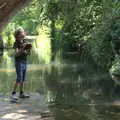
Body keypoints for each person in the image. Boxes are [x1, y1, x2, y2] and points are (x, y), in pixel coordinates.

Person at [11, 27, 32, 100]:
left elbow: (27, 54)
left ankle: (21, 93)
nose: (24, 33)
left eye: (24, 32)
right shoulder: (16, 43)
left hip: (24, 61)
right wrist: (22, 48)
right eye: (22, 32)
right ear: (18, 35)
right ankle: (13, 93)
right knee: (19, 78)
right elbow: (16, 54)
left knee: (23, 78)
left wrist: (29, 49)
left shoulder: (24, 41)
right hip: (19, 62)